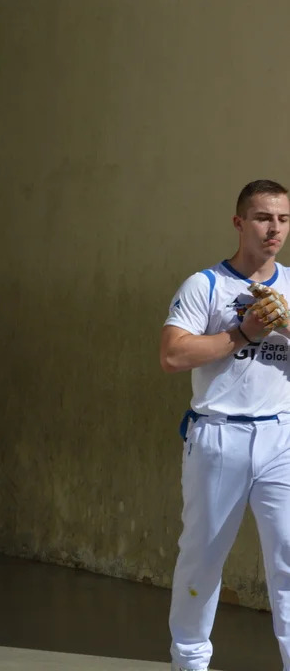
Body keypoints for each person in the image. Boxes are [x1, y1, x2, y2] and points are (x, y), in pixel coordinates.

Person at [161, 179, 290, 671]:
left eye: (282, 219)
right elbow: (173, 355)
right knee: (203, 558)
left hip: (282, 437)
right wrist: (244, 332)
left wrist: (286, 323)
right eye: (263, 218)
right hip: (218, 436)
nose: (274, 228)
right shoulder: (206, 285)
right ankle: (191, 663)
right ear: (239, 223)